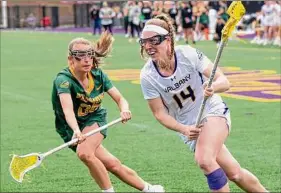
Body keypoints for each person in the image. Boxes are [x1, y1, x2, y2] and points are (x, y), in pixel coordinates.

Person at [138, 14, 268, 193]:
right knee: (235, 173)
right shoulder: (147, 76)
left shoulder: (187, 54)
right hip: (189, 128)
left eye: (154, 41)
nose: (148, 46)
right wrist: (183, 129)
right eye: (144, 42)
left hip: (212, 111)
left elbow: (224, 81)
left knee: (205, 160)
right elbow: (160, 113)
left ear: (168, 40)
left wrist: (213, 87)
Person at [51, 31, 164, 193]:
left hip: (94, 119)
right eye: (80, 56)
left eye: (89, 55)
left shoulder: (98, 76)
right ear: (70, 59)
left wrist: (124, 109)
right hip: (70, 128)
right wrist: (76, 130)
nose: (86, 60)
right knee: (112, 164)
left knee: (85, 154)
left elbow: (120, 98)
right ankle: (149, 189)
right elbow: (67, 110)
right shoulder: (63, 80)